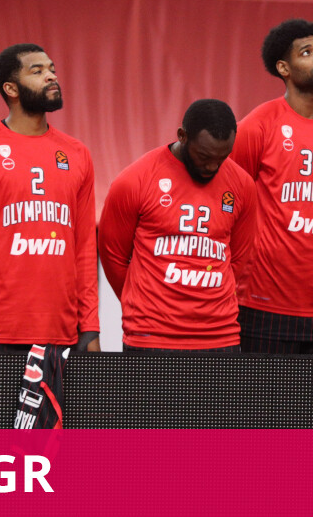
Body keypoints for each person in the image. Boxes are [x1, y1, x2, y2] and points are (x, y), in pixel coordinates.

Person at [0, 44, 98, 352]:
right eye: (37, 71)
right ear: (11, 89)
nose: (51, 76)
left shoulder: (77, 153)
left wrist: (91, 328)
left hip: (61, 331)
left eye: (52, 69)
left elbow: (84, 249)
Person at [232, 19, 313, 354]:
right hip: (264, 302)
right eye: (306, 52)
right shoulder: (257, 126)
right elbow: (231, 203)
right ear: (283, 68)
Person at [99, 99, 256, 351]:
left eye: (222, 158)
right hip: (151, 336)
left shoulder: (243, 185)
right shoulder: (134, 180)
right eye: (204, 156)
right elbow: (113, 257)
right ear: (182, 136)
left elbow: (238, 258)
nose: (212, 166)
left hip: (220, 336)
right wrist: (144, 304)